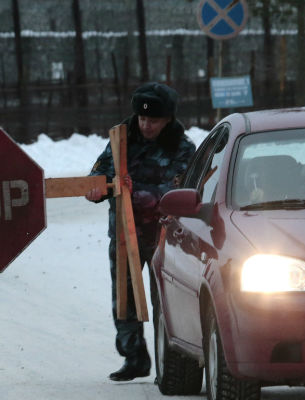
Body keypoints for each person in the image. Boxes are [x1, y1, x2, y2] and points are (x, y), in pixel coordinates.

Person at [84, 82, 196, 382]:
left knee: (165, 302)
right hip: (123, 233)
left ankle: (169, 363)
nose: (146, 125)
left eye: (153, 120)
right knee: (124, 300)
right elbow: (99, 173)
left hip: (165, 238)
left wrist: (136, 193)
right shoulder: (121, 139)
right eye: (142, 118)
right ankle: (134, 357)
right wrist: (97, 187)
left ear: (168, 119)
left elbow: (180, 191)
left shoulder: (183, 148)